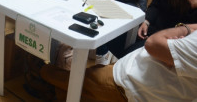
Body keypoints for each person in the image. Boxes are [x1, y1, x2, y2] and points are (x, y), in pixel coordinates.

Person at [41, 23, 197, 101]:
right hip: (131, 73)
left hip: (128, 85)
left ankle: (38, 71)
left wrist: (185, 29)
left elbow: (153, 44)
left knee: (51, 75)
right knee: (70, 85)